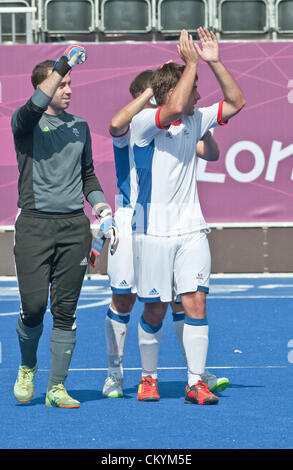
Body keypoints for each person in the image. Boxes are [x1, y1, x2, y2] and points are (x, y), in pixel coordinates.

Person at [130, 28, 245, 404]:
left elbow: (237, 100)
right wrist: (191, 63)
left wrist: (212, 62)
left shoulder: (196, 118)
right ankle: (148, 378)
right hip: (153, 234)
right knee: (155, 309)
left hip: (191, 231)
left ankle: (196, 382)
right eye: (192, 86)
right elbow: (177, 106)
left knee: (196, 301)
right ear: (169, 92)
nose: (198, 93)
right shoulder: (145, 123)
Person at [102, 68, 229, 399]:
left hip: (164, 225)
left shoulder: (168, 128)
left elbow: (208, 152)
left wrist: (204, 127)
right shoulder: (133, 126)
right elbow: (116, 124)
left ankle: (195, 374)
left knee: (177, 299)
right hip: (132, 219)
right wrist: (146, 98)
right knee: (123, 298)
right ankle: (115, 372)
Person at [11, 45, 118, 409]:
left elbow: (88, 176)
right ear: (44, 87)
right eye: (62, 84)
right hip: (34, 227)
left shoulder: (80, 127)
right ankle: (27, 366)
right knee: (34, 306)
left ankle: (56, 388)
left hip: (74, 228)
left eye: (71, 83)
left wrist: (103, 210)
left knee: (66, 310)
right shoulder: (24, 122)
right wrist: (61, 64)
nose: (69, 89)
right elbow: (34, 104)